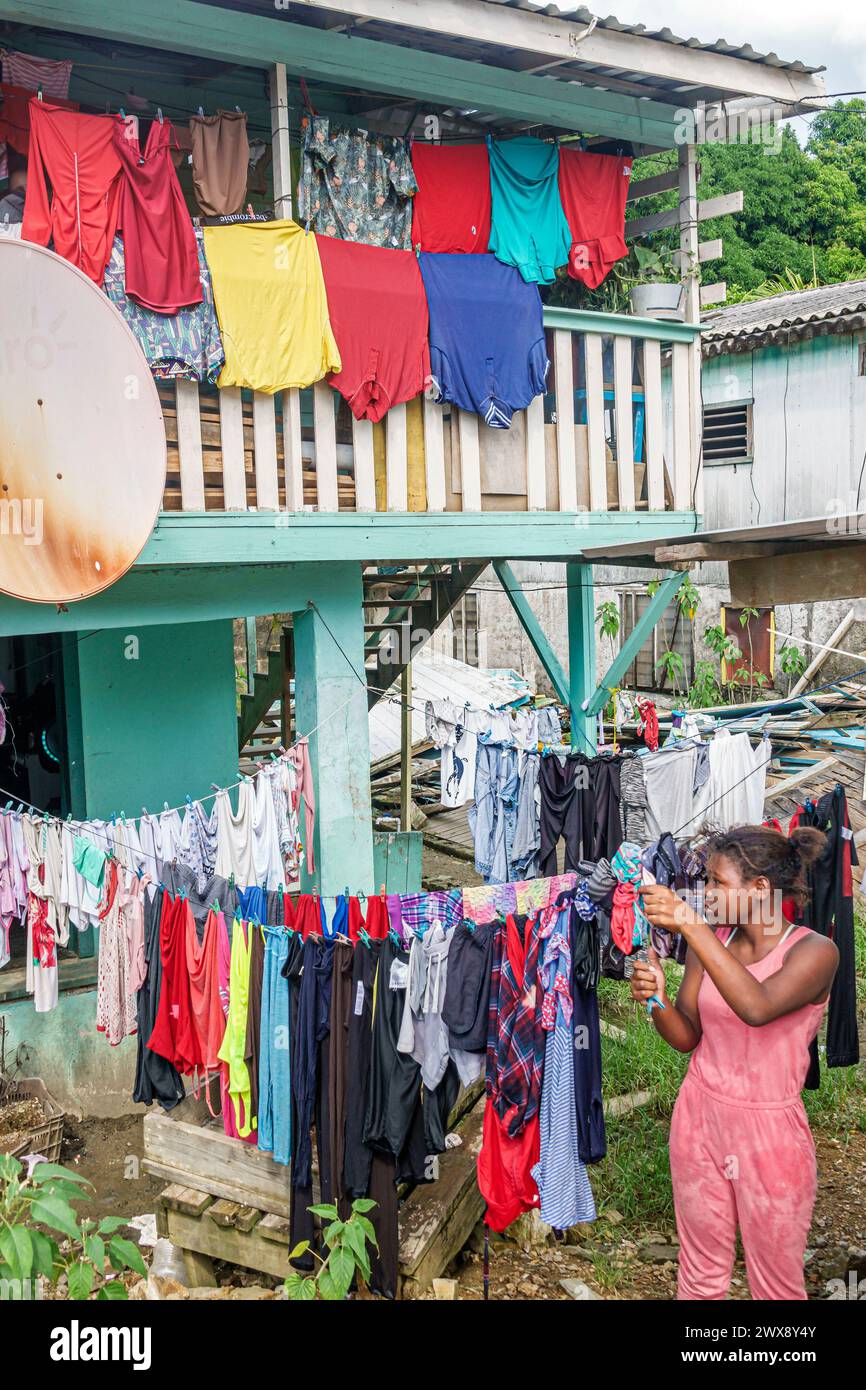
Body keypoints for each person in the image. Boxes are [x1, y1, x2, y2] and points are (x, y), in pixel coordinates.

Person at [632, 823, 838, 1301]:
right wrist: (658, 1002)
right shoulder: (716, 944)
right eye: (704, 881)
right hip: (699, 1117)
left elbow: (758, 1007)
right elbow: (686, 1036)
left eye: (716, 883)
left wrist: (691, 927)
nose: (705, 894)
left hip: (770, 1136)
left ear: (761, 889)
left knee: (776, 1286)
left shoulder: (813, 952)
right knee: (700, 1273)